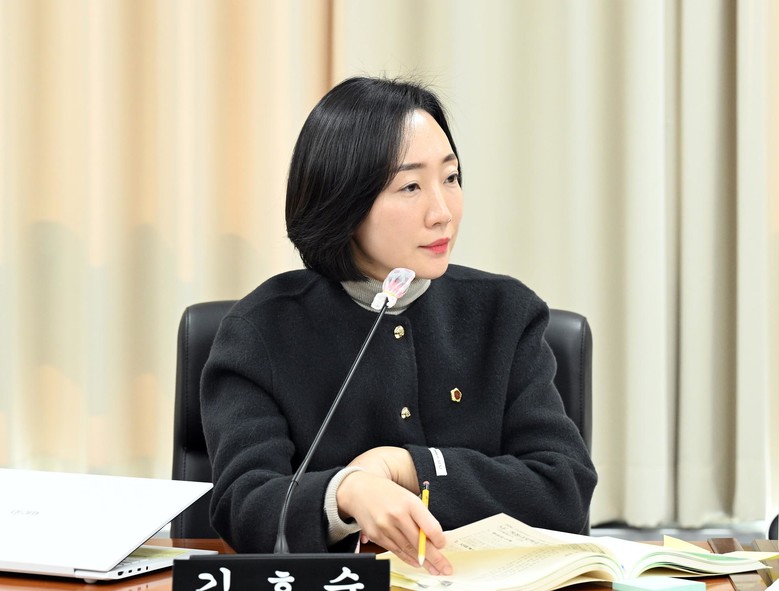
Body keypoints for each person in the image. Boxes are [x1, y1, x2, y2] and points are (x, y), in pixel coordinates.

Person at [200, 76, 597, 577]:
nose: (442, 212)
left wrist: (405, 466)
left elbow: (564, 490)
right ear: (342, 201)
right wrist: (345, 492)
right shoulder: (261, 331)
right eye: (410, 186)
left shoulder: (505, 313)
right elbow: (244, 506)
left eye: (450, 178)